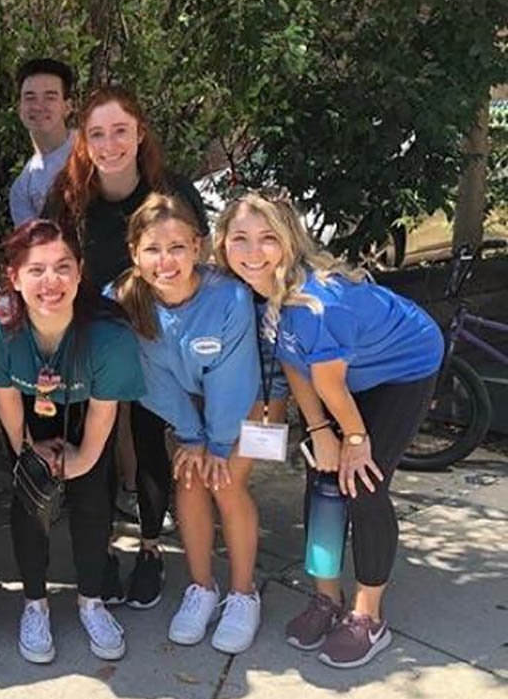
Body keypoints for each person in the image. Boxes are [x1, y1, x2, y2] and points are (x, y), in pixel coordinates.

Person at [215, 190, 442, 668]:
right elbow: (294, 363)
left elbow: (328, 381)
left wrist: (355, 441)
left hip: (403, 367)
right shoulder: (256, 294)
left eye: (267, 238)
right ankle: (326, 597)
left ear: (290, 241)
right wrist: (319, 430)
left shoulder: (318, 303)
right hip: (341, 374)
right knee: (320, 478)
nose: (253, 252)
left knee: (362, 483)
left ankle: (368, 615)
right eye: (240, 238)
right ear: (223, 245)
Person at [44, 85, 209, 610]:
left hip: (158, 341)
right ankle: (99, 558)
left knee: (147, 441)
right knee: (90, 451)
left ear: (140, 133)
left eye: (120, 130)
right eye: (97, 134)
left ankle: (152, 548)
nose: (110, 143)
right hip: (92, 341)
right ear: (83, 143)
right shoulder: (69, 199)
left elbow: (196, 273)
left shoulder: (172, 192)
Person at [0, 219, 144, 665]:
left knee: (93, 503)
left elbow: (106, 410)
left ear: (80, 271)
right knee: (28, 504)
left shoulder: (109, 332)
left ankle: (91, 601)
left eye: (62, 267)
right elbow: (7, 398)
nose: (50, 282)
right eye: (35, 270)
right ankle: (35, 603)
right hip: (30, 418)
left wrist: (83, 459)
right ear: (13, 277)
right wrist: (27, 455)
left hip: (86, 417)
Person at [113, 193, 267, 654]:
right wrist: (190, 436)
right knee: (188, 481)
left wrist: (216, 443)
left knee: (226, 483)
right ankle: (202, 587)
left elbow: (235, 376)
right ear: (135, 255)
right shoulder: (125, 300)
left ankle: (244, 593)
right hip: (185, 409)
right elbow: (150, 378)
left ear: (198, 248)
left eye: (178, 247)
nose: (166, 261)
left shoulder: (229, 297)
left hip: (241, 403)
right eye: (153, 250)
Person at [8, 58, 76, 226]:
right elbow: (34, 247)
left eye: (50, 97)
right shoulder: (22, 188)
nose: (38, 106)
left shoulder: (95, 149)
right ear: (20, 109)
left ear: (67, 107)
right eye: (30, 98)